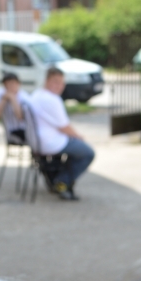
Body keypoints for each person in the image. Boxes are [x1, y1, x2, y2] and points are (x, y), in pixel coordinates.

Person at [29, 67, 96, 201]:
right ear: (47, 81)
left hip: (36, 142)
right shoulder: (52, 99)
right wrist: (79, 137)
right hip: (51, 142)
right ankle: (62, 182)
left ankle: (56, 179)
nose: (59, 86)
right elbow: (64, 127)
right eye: (56, 81)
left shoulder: (36, 94)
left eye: (62, 82)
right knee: (87, 152)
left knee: (76, 147)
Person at [0, 72, 30, 143]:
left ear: (18, 84)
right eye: (7, 85)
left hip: (26, 129)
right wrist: (4, 99)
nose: (10, 87)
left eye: (12, 84)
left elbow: (21, 117)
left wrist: (13, 99)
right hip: (12, 132)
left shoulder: (24, 96)